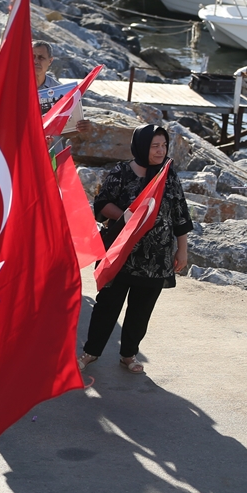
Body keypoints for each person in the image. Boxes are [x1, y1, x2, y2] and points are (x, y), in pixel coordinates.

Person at [80, 125, 193, 375]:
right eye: (155, 146)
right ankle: (91, 352)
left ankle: (128, 354)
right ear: (142, 145)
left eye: (164, 145)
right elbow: (102, 204)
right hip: (121, 253)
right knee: (107, 305)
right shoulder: (122, 171)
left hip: (156, 258)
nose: (160, 150)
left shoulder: (168, 175)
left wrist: (182, 250)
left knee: (141, 310)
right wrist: (129, 218)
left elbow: (180, 215)